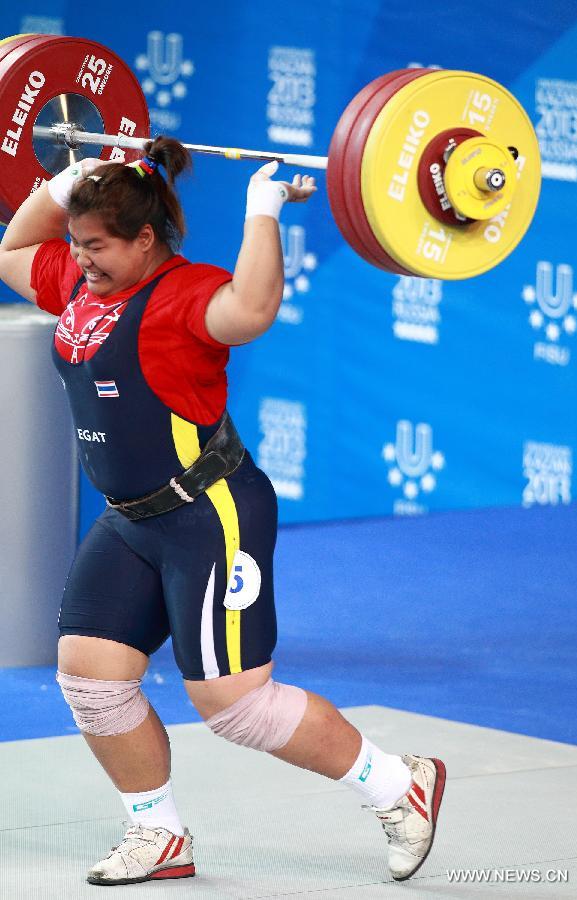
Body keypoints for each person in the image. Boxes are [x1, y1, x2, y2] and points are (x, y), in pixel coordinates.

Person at [0, 137, 445, 886]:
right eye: (76, 244)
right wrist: (67, 181)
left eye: (98, 246)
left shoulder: (180, 296)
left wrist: (262, 212)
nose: (79, 258)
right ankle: (158, 833)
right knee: (91, 676)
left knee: (235, 705)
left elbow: (254, 307)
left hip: (208, 511)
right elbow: (14, 251)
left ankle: (401, 787)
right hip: (129, 518)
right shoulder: (81, 285)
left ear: (146, 239)